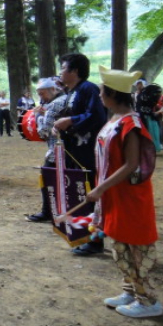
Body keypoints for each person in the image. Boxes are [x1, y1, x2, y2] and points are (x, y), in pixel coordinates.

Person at [88, 66, 161, 318]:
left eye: (101, 92)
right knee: (120, 243)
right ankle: (130, 290)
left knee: (136, 246)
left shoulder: (131, 123)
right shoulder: (115, 120)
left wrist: (100, 187)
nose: (99, 96)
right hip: (115, 194)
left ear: (112, 94)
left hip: (130, 196)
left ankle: (148, 300)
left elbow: (131, 165)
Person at [54, 53, 107, 255]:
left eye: (63, 67)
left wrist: (72, 121)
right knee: (79, 191)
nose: (60, 72)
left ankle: (95, 240)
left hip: (87, 151)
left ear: (74, 71)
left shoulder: (88, 88)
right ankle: (82, 233)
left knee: (90, 191)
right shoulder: (72, 91)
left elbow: (96, 115)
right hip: (75, 150)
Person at [26, 77, 68, 222]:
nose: (41, 97)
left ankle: (47, 212)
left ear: (53, 90)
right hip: (70, 150)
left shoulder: (54, 105)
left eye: (43, 94)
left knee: (47, 178)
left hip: (57, 150)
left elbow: (44, 132)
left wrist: (37, 116)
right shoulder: (65, 99)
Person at [134, 79, 163, 152]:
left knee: (148, 131)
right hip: (144, 115)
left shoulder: (145, 93)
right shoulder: (142, 93)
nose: (138, 86)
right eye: (137, 84)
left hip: (146, 115)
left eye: (140, 84)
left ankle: (150, 147)